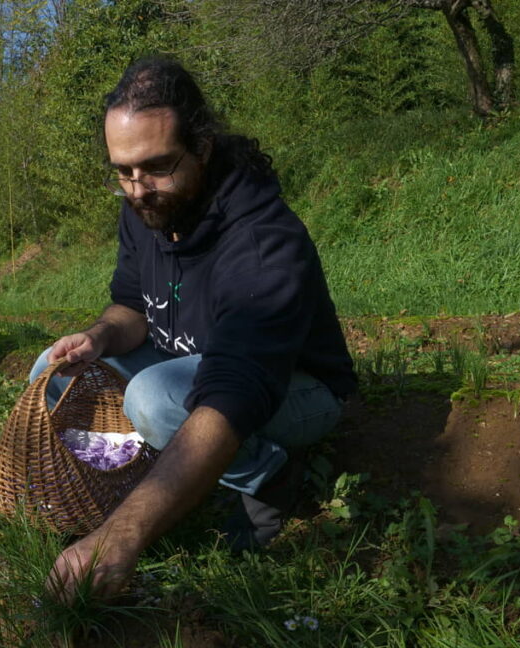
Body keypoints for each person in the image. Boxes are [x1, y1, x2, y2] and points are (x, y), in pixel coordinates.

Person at [31, 57, 357, 602]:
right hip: (192, 369)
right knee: (56, 367)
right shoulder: (146, 208)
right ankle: (119, 490)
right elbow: (130, 306)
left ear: (202, 147)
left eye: (156, 167)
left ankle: (265, 477)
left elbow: (234, 388)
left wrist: (122, 536)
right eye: (123, 172)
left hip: (293, 389)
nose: (137, 189)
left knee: (155, 398)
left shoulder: (261, 239)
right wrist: (101, 337)